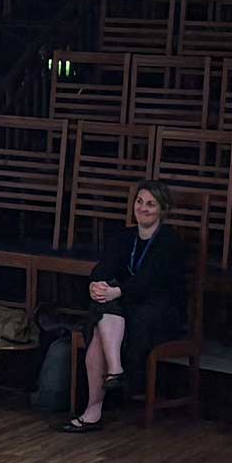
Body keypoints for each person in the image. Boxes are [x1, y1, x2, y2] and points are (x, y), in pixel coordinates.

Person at [56, 178, 188, 432]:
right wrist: (96, 285)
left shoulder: (170, 241)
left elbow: (150, 281)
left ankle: (94, 410)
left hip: (157, 310)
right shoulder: (124, 237)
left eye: (150, 204)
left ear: (162, 209)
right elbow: (102, 269)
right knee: (102, 311)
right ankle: (114, 371)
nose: (143, 208)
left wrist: (117, 291)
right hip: (123, 305)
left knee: (103, 321)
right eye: (139, 201)